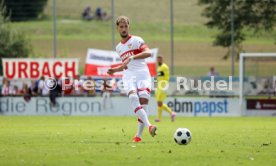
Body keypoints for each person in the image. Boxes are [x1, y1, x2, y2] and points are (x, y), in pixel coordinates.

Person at [107, 16, 157, 143]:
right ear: (117, 28)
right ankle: (150, 126)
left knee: (144, 101)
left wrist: (133, 57)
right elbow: (125, 66)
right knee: (134, 98)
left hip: (142, 74)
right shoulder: (118, 47)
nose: (123, 29)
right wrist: (115, 69)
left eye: (125, 26)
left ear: (129, 26)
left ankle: (138, 136)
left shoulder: (137, 40)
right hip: (129, 75)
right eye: (121, 27)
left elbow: (148, 53)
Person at [154, 56, 176, 122]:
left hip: (163, 86)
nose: (158, 60)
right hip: (158, 87)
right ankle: (172, 113)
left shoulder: (164, 67)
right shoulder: (158, 68)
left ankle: (159, 118)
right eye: (157, 59)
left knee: (159, 102)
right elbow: (158, 78)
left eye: (159, 59)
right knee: (159, 103)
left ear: (162, 59)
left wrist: (165, 86)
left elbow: (167, 77)